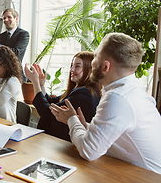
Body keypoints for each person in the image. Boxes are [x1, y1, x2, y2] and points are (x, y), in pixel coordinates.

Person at [50, 33, 161, 174]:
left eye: (96, 57)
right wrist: (85, 126)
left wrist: (71, 120)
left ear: (105, 66)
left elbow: (88, 151)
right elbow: (116, 135)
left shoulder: (117, 98)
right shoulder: (133, 91)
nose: (92, 62)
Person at [24, 51, 101, 141]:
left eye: (77, 66)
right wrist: (41, 85)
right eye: (72, 65)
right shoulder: (82, 90)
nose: (72, 70)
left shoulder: (84, 93)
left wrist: (35, 82)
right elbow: (53, 103)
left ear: (90, 70)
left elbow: (48, 113)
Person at [0, 8, 29, 81]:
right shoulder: (1, 36)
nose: (6, 20)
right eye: (4, 18)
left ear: (16, 18)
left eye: (9, 17)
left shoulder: (23, 34)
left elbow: (15, 53)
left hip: (16, 76)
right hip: (1, 76)